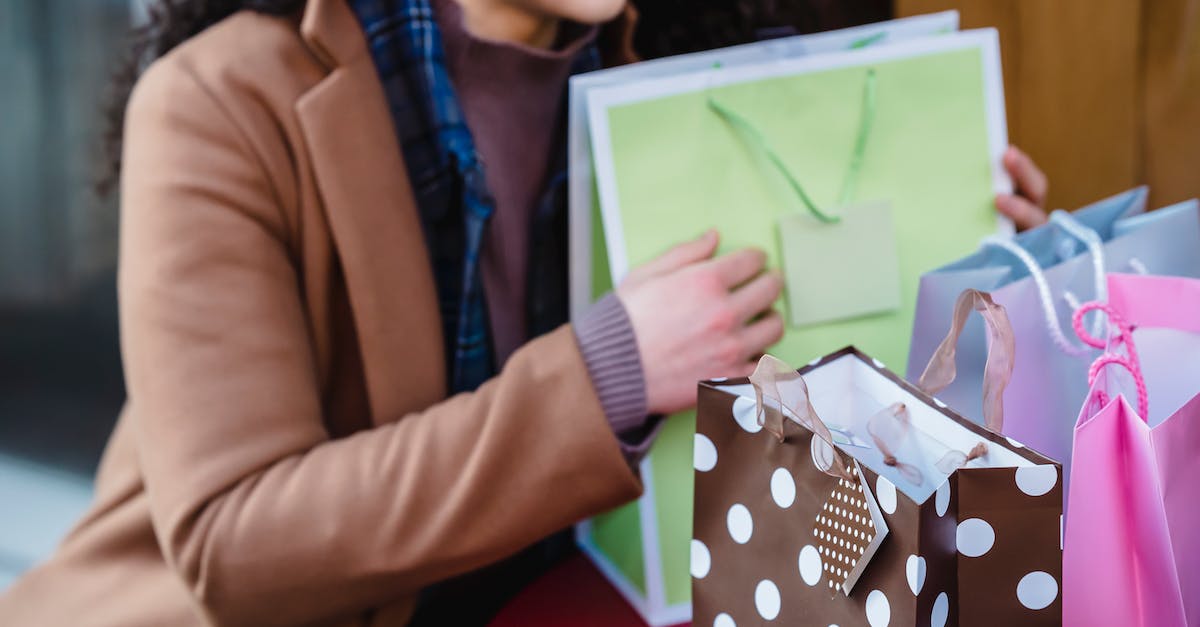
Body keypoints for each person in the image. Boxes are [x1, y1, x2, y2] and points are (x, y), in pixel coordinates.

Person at [0, 0, 1049, 625]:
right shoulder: (217, 100)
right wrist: (599, 378)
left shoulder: (672, 69)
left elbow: (796, 353)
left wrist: (955, 255)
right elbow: (235, 545)